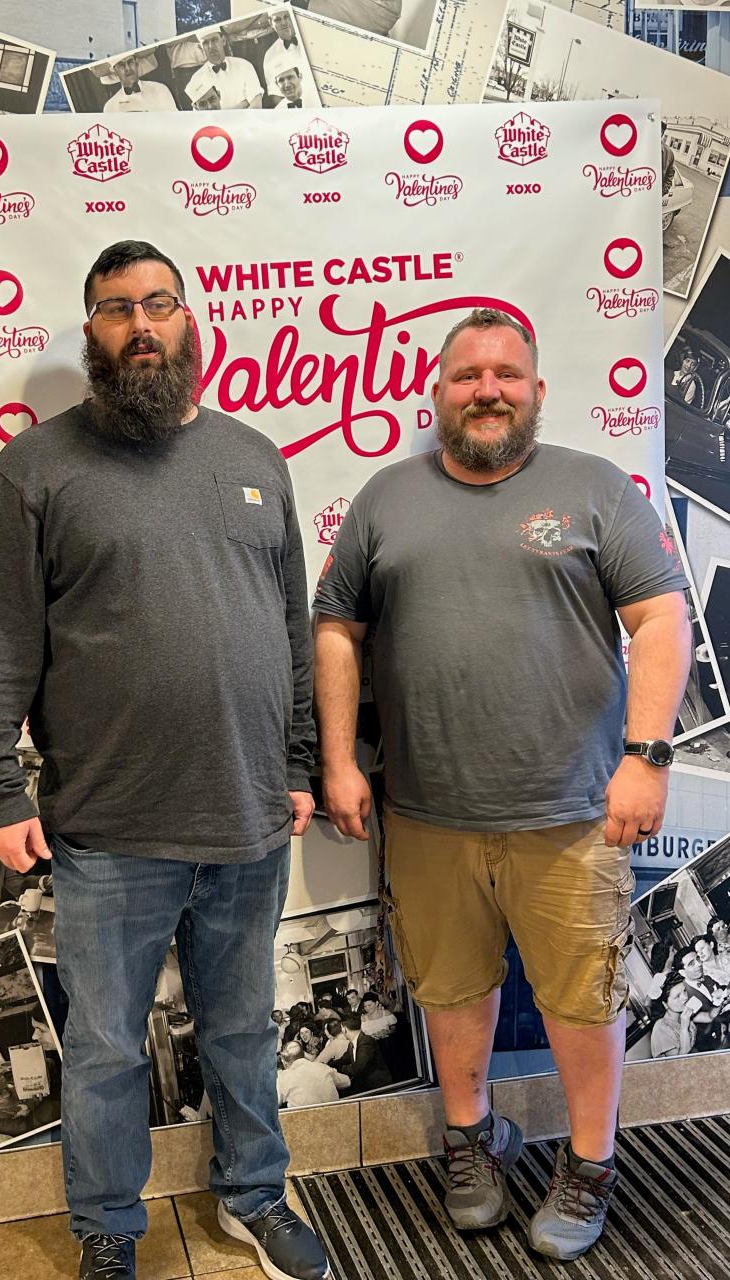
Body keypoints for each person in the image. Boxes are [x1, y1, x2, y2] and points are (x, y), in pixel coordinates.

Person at [0, 239, 328, 1280]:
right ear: (94, 333)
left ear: (190, 319)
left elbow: (289, 633)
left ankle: (255, 1194)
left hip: (250, 816)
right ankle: (109, 1229)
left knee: (245, 1026)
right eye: (118, 308)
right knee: (111, 1047)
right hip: (108, 827)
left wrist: (298, 764)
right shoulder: (39, 466)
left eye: (159, 303)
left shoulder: (257, 459)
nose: (142, 323)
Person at [313, 306, 691, 1261]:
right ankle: (471, 1141)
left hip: (573, 816)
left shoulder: (597, 488)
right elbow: (335, 630)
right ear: (437, 393)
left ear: (537, 392)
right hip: (427, 817)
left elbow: (659, 621)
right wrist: (338, 759)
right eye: (467, 375)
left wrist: (647, 757)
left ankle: (592, 1163)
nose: (487, 390)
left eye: (507, 375)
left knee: (581, 1002)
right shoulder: (384, 499)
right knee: (451, 990)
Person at [188, 27, 263, 109]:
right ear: (201, 47)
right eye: (205, 43)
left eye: (214, 40)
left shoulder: (244, 65)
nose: (211, 46)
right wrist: (244, 104)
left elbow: (256, 104)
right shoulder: (197, 78)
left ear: (223, 40)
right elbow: (201, 115)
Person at [276, 1040, 350, 1108]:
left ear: (284, 1061)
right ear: (304, 1055)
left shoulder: (282, 1077)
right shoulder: (322, 1067)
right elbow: (347, 1082)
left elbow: (273, 1103)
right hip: (336, 1118)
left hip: (305, 1120)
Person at [103, 52, 177, 113]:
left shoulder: (160, 89)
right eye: (121, 65)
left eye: (130, 62)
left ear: (137, 64)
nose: (128, 68)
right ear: (114, 71)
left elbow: (175, 121)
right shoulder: (111, 107)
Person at [335, 1014, 392, 1092]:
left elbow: (359, 1067)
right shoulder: (352, 1044)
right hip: (366, 1084)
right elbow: (345, 1059)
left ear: (344, 1029)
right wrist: (327, 1065)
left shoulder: (366, 1041)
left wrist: (342, 1071)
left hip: (378, 1086)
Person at [649, 976, 700, 1059]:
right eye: (677, 996)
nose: (685, 997)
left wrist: (721, 998)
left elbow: (709, 1017)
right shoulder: (660, 1029)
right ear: (665, 1004)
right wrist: (684, 1028)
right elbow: (680, 1061)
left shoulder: (682, 1013)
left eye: (684, 991)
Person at [263, 8, 302, 98]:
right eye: (277, 20)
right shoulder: (270, 55)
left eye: (287, 17)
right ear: (270, 23)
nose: (284, 23)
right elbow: (275, 95)